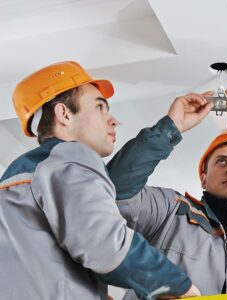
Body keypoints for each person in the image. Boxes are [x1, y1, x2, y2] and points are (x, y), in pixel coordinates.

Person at [0, 61, 200, 300]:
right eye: (99, 107)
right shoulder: (70, 156)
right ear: (64, 114)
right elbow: (107, 245)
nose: (112, 120)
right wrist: (178, 285)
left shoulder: (14, 178)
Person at [107, 90, 227, 298]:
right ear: (204, 179)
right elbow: (117, 191)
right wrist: (170, 128)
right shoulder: (170, 212)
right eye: (222, 161)